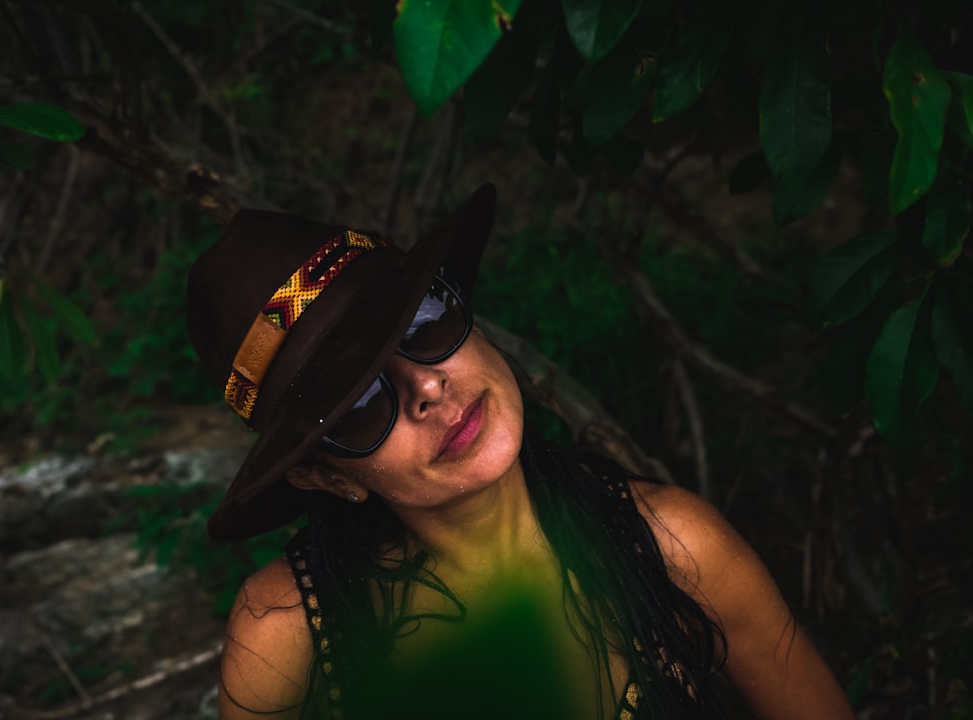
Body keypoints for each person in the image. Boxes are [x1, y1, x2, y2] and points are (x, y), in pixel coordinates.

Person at [186, 185, 856, 719]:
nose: (426, 385)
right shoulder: (287, 637)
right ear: (326, 476)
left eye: (424, 323)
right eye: (358, 403)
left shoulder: (679, 552)